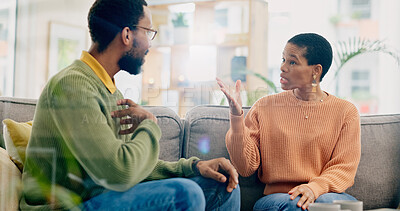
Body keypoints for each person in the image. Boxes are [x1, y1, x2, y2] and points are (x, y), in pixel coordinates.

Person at [20, 0, 240, 210]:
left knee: (223, 187)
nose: (150, 44)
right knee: (185, 194)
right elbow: (121, 172)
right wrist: (150, 125)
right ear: (127, 35)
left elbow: (132, 167)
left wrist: (194, 166)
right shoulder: (73, 85)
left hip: (101, 198)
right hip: (67, 206)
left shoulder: (110, 90)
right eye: (148, 32)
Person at [217, 33, 361, 211]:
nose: (283, 67)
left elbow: (344, 167)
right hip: (279, 198)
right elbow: (245, 167)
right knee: (297, 205)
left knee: (344, 207)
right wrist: (237, 117)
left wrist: (313, 188)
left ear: (316, 70)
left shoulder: (346, 112)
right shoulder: (264, 107)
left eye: (292, 62)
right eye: (283, 59)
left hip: (325, 194)